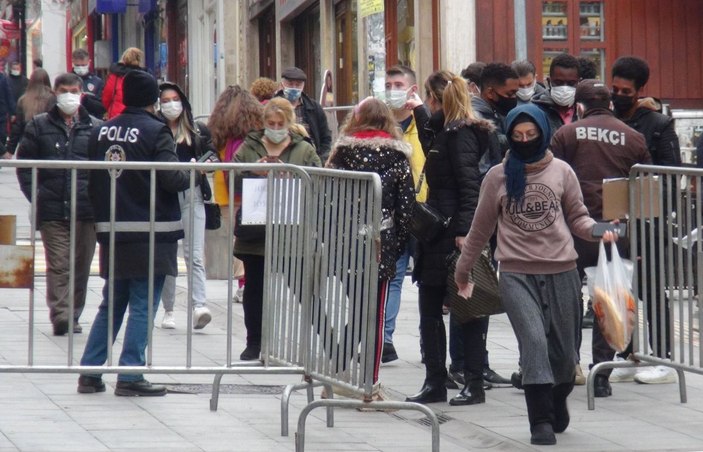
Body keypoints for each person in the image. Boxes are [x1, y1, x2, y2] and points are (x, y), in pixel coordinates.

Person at [454, 103, 618, 445]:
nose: (525, 140)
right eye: (518, 135)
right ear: (509, 137)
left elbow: (578, 218)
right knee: (533, 342)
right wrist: (463, 268)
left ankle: (557, 400)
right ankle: (539, 420)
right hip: (516, 273)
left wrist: (598, 230)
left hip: (563, 271)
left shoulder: (562, 172)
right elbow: (480, 229)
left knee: (563, 355)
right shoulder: (498, 177)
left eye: (531, 135)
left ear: (543, 134)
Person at [77, 70, 190, 397]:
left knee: (112, 303)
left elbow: (92, 181)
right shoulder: (156, 131)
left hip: (114, 230)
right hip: (151, 231)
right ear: (154, 99)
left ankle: (90, 371)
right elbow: (170, 178)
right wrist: (193, 174)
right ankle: (130, 373)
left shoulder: (101, 132)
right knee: (143, 303)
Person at [551, 79, 651, 397]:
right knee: (608, 299)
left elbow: (549, 175)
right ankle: (602, 372)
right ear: (608, 103)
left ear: (578, 106)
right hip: (616, 229)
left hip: (572, 228)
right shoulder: (633, 137)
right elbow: (646, 185)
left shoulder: (565, 134)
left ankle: (569, 366)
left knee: (566, 300)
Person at [405, 71, 496, 405]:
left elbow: (470, 185)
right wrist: (419, 112)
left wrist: (464, 233)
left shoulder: (462, 135)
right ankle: (435, 382)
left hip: (453, 234)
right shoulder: (447, 131)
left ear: (436, 98)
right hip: (436, 233)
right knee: (430, 309)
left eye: (428, 99)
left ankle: (474, 383)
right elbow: (433, 149)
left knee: (467, 309)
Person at [325, 96, 414, 386]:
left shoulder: (341, 153)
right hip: (381, 241)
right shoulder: (398, 156)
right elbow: (405, 205)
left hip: (345, 241)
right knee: (374, 312)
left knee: (357, 304)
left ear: (357, 119)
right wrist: (400, 244)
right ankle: (370, 381)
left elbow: (329, 198)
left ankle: (338, 365)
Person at [607, 55, 682, 385]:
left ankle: (663, 358)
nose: (619, 95)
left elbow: (672, 172)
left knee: (651, 289)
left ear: (639, 91)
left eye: (626, 90)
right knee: (621, 290)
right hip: (615, 219)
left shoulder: (657, 124)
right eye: (615, 88)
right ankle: (629, 354)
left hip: (648, 220)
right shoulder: (607, 119)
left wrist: (650, 208)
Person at [233, 97, 321, 360]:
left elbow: (317, 179)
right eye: (270, 123)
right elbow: (233, 177)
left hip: (292, 231)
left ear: (289, 123)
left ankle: (326, 341)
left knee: (303, 289)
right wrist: (252, 172)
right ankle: (254, 342)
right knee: (255, 289)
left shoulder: (303, 149)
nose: (274, 127)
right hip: (256, 230)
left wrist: (293, 174)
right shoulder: (249, 146)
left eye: (280, 123)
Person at [15, 72, 100, 335]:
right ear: (55, 92)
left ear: (81, 92)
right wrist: (37, 194)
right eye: (64, 91)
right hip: (52, 208)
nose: (69, 96)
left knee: (81, 264)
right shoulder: (39, 125)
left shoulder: (95, 127)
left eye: (74, 91)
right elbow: (24, 165)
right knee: (60, 263)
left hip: (86, 209)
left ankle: (73, 313)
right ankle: (61, 314)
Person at [158, 82, 216, 330]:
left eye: (175, 99)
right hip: (165, 196)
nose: (171, 104)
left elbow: (214, 155)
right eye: (165, 100)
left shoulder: (196, 131)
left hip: (192, 193)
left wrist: (202, 165)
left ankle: (198, 306)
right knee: (168, 254)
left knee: (194, 254)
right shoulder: (156, 130)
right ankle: (168, 309)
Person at [381, 64, 427, 363]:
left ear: (412, 89)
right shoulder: (381, 124)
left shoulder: (425, 123)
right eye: (389, 84)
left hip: (424, 212)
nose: (392, 90)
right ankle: (385, 340)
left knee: (427, 280)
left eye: (398, 84)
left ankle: (428, 342)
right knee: (394, 275)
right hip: (394, 212)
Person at [205, 85, 263, 291]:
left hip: (226, 193)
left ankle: (243, 282)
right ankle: (245, 282)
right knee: (247, 238)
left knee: (235, 236)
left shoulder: (220, 133)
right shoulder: (253, 138)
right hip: (251, 191)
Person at [275, 66, 332, 160]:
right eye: (290, 84)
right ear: (282, 84)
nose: (294, 87)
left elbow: (325, 137)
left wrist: (320, 159)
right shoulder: (271, 106)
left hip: (309, 160)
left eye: (298, 85)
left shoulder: (314, 108)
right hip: (280, 159)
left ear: (303, 86)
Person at [6, 68, 54, 157]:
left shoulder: (23, 100)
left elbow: (17, 126)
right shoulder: (52, 99)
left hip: (27, 142)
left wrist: (10, 150)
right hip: (48, 143)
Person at [532, 53, 580, 132]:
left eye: (571, 83)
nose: (565, 88)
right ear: (549, 82)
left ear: (579, 83)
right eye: (558, 82)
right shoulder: (536, 111)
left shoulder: (586, 112)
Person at [102, 47, 144, 119]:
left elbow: (106, 98)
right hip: (138, 116)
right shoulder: (143, 77)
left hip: (116, 116)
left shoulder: (115, 76)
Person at [72, 48, 106, 118]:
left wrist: (85, 100)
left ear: (89, 62)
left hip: (91, 120)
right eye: (77, 65)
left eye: (83, 65)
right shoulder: (66, 80)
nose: (81, 68)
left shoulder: (97, 82)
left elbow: (102, 107)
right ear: (73, 62)